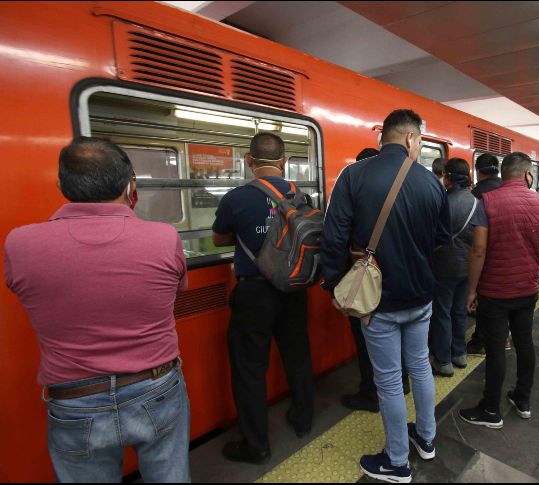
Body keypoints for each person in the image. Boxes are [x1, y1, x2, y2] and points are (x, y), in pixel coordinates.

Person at [4, 138, 190, 482]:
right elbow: (176, 290)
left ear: (62, 186)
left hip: (74, 399)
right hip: (155, 387)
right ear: (130, 185)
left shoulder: (19, 243)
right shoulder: (164, 237)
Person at [321, 109, 451, 483]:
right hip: (421, 297)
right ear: (411, 138)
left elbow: (334, 236)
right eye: (421, 141)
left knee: (390, 381)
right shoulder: (431, 183)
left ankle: (396, 462)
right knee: (421, 367)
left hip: (377, 301)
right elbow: (442, 239)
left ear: (387, 136)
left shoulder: (354, 175)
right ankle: (426, 439)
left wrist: (333, 284)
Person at [212, 132, 314, 465]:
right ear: (284, 162)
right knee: (297, 354)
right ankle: (303, 420)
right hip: (294, 286)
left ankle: (256, 445)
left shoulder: (236, 198)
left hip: (254, 291)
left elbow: (218, 239)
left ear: (249, 160)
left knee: (250, 369)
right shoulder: (301, 195)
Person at [459, 152, 539, 428]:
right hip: (527, 289)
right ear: (528, 175)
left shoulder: (487, 202)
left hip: (495, 291)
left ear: (503, 175)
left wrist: (472, 290)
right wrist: (533, 273)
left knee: (496, 347)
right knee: (525, 342)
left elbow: (478, 250)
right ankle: (522, 399)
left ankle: (490, 409)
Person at [341, 148, 410, 413]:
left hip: (368, 283)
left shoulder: (356, 200)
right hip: (401, 281)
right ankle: (401, 382)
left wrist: (333, 281)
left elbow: (341, 240)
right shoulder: (404, 196)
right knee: (399, 338)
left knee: (367, 340)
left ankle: (371, 394)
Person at [430, 157, 483, 377]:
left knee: (442, 312)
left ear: (449, 177)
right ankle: (459, 354)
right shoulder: (477, 202)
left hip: (444, 266)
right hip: (468, 267)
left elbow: (433, 237)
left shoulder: (443, 203)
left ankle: (443, 361)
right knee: (460, 311)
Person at [467, 152, 508, 357]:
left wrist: (471, 289)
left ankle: (480, 341)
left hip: (484, 255)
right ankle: (503, 337)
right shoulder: (506, 188)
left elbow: (476, 241)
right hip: (505, 255)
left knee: (484, 300)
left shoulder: (477, 194)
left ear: (478, 170)